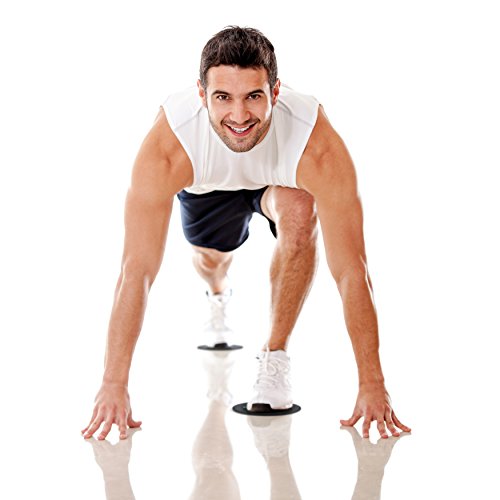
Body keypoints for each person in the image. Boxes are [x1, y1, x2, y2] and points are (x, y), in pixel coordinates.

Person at [82, 26, 411, 442]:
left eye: (253, 96)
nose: (239, 116)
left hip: (279, 182)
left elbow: (351, 270)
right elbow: (136, 271)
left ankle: (275, 357)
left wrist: (373, 383)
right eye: (223, 97)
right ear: (202, 95)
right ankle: (218, 292)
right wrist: (113, 384)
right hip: (207, 187)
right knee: (212, 261)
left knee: (300, 211)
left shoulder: (314, 143)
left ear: (275, 91)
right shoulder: (172, 145)